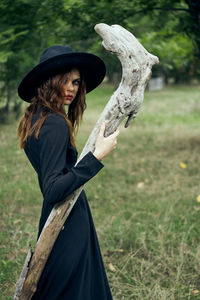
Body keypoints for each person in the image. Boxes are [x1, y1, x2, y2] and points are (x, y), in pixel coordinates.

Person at [17, 45, 119, 300]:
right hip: (67, 221)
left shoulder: (36, 117)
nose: (72, 88)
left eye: (76, 81)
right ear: (50, 81)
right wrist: (96, 156)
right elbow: (52, 189)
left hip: (58, 217)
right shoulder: (53, 123)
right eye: (66, 81)